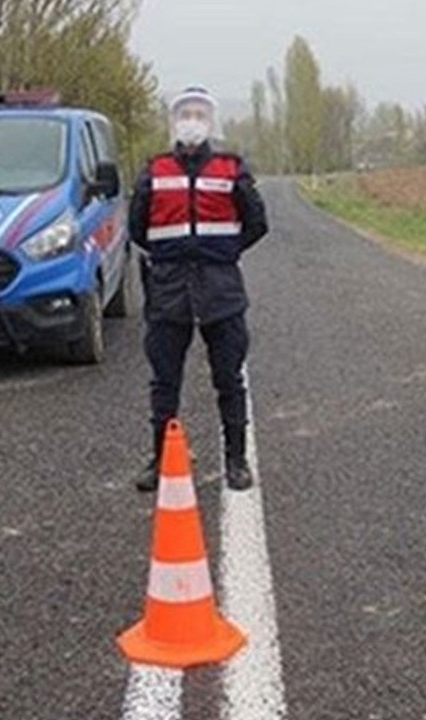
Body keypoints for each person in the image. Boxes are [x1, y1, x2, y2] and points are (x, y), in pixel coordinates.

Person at [127, 86, 269, 492]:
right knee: (164, 381)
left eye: (199, 114)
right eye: (185, 113)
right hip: (168, 289)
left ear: (210, 121)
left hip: (220, 289)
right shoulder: (153, 171)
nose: (192, 120)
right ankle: (160, 459)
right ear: (174, 121)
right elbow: (138, 229)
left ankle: (236, 461)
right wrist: (172, 255)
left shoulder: (231, 168)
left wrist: (221, 252)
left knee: (229, 378)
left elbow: (256, 223)